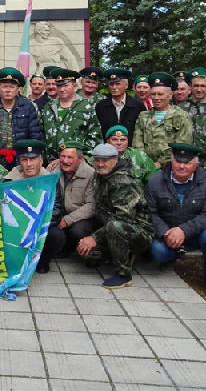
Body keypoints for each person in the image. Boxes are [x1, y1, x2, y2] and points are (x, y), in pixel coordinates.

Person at [145, 143, 206, 298]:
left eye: (187, 163)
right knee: (158, 251)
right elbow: (150, 213)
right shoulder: (155, 181)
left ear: (196, 165)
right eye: (178, 161)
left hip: (198, 234)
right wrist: (164, 233)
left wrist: (184, 230)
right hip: (168, 233)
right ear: (171, 160)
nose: (181, 166)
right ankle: (173, 257)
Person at [76, 143, 153, 289]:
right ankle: (116, 256)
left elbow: (123, 219)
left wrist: (94, 237)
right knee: (87, 253)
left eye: (105, 160)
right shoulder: (100, 176)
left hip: (138, 232)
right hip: (112, 227)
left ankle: (123, 274)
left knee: (114, 226)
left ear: (115, 159)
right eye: (97, 160)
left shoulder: (123, 182)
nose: (100, 164)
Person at [38, 141, 96, 273]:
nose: (65, 161)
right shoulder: (53, 169)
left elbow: (91, 206)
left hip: (79, 217)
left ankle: (72, 247)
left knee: (77, 231)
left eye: (70, 157)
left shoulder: (91, 174)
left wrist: (68, 219)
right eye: (62, 156)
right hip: (56, 213)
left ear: (80, 159)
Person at [0, 67, 42, 169]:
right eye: (5, 86)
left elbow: (35, 135)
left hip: (22, 158)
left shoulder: (27, 107)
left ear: (18, 89)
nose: (8, 90)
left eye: (12, 87)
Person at [41, 69, 102, 163]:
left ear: (74, 86)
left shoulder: (86, 107)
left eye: (66, 85)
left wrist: (83, 158)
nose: (62, 89)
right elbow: (41, 134)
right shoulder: (48, 107)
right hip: (51, 164)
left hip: (77, 163)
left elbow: (95, 136)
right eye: (59, 85)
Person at [132, 72, 193, 167]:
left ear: (170, 95)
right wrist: (145, 163)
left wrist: (159, 163)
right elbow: (137, 144)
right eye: (153, 94)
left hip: (172, 167)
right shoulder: (143, 116)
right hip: (145, 167)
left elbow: (182, 144)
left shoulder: (182, 116)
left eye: (160, 94)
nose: (156, 98)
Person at [95, 68, 145, 144]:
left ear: (126, 85)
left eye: (118, 84)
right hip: (108, 151)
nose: (114, 87)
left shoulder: (138, 106)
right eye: (111, 84)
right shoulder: (101, 106)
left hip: (131, 151)